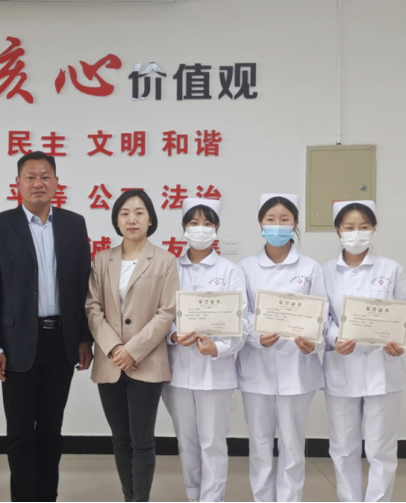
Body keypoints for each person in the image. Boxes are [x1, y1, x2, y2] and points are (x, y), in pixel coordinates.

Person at [0, 151, 94, 502]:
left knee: (51, 430)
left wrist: (85, 338)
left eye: (45, 176)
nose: (38, 183)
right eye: (30, 177)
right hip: (16, 344)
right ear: (17, 183)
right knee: (19, 433)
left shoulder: (74, 224)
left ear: (57, 183)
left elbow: (83, 284)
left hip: (62, 341)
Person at [86, 189, 178, 502]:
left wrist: (133, 350)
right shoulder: (102, 259)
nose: (132, 219)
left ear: (151, 219)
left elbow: (166, 312)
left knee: (142, 440)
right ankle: (130, 497)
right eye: (124, 213)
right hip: (110, 362)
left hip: (146, 362)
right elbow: (92, 308)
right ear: (117, 220)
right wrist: (115, 349)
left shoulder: (164, 260)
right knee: (120, 439)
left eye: (139, 213)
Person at [237, 193, 327, 503]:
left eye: (284, 219)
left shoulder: (311, 268)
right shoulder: (245, 267)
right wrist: (256, 336)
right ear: (260, 224)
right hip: (256, 366)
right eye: (271, 219)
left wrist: (312, 341)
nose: (277, 225)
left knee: (292, 443)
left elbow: (321, 314)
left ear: (295, 223)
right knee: (259, 442)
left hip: (297, 368)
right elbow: (241, 313)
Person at [162, 198, 247, 503]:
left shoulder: (230, 271)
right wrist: (173, 335)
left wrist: (218, 348)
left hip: (215, 370)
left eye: (207, 223)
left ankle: (212, 499)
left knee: (213, 443)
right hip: (178, 370)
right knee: (186, 442)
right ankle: (193, 496)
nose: (201, 229)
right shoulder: (170, 267)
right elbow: (160, 314)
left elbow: (241, 322)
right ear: (184, 227)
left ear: (217, 228)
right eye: (194, 223)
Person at [323, 201, 405, 502]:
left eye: (364, 227)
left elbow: (403, 315)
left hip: (383, 368)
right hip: (341, 366)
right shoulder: (325, 271)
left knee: (381, 449)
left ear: (373, 229)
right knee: (343, 447)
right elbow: (322, 317)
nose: (356, 233)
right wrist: (335, 338)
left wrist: (400, 343)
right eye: (349, 227)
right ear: (338, 230)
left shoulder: (392, 269)